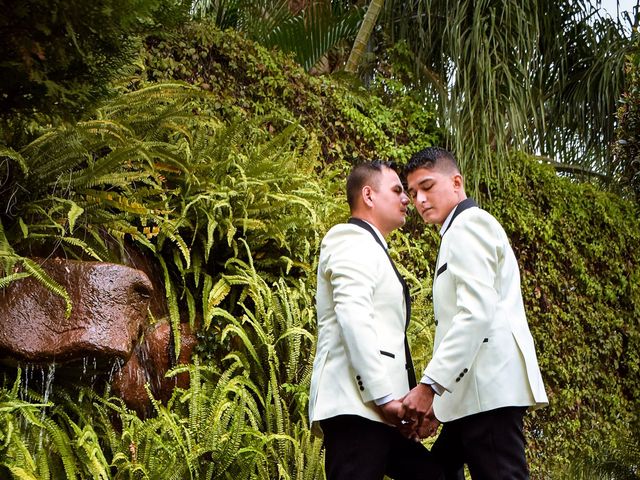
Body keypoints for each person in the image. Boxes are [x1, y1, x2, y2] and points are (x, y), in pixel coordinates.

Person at [402, 147, 549, 479]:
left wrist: (429, 388)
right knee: (433, 472)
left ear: (456, 182)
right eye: (412, 193)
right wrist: (441, 407)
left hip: (489, 394)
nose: (419, 199)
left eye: (427, 186)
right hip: (474, 397)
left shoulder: (468, 225)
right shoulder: (457, 230)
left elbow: (475, 314)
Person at [308, 160, 443, 480]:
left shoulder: (371, 248)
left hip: (381, 414)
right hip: (358, 408)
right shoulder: (349, 239)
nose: (407, 198)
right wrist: (384, 398)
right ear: (368, 195)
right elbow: (354, 317)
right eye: (397, 190)